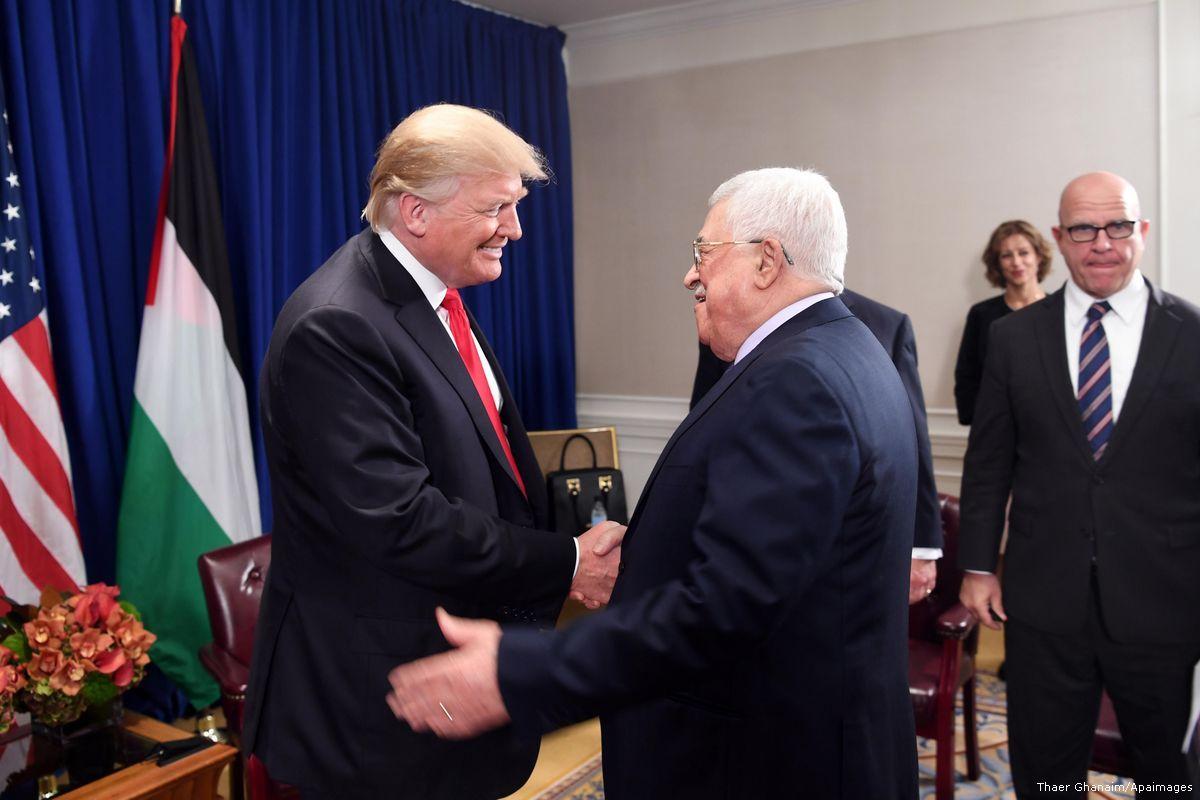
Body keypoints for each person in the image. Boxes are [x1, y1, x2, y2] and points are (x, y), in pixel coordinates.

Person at [387, 168, 920, 800]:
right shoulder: (849, 349)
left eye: (704, 251)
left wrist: (520, 672)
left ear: (766, 261)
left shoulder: (796, 382)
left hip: (761, 760)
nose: (690, 275)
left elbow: (726, 609)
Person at [242, 104, 624, 798]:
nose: (515, 228)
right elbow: (403, 521)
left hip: (441, 687)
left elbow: (485, 477)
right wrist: (567, 562)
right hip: (374, 712)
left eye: (515, 205)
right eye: (496, 208)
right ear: (416, 212)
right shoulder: (337, 324)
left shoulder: (431, 296)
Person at [958, 172, 1200, 798]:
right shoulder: (1012, 337)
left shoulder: (1192, 332)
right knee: (1045, 767)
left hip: (1165, 596)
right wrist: (978, 566)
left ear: (1142, 232)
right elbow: (989, 463)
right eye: (1085, 229)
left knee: (1167, 772)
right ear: (1060, 238)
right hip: (1043, 595)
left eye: (1118, 226)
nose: (1103, 243)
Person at [692, 286, 944, 603]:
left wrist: (921, 547)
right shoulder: (730, 319)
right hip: (745, 529)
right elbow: (703, 425)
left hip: (852, 537)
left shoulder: (887, 324)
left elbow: (912, 438)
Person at [953, 220, 1050, 425]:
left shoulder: (1058, 311)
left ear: (1039, 256)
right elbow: (967, 378)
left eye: (1023, 253)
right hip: (994, 428)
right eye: (1006, 255)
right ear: (996, 263)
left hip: (1049, 429)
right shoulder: (981, 315)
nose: (1016, 262)